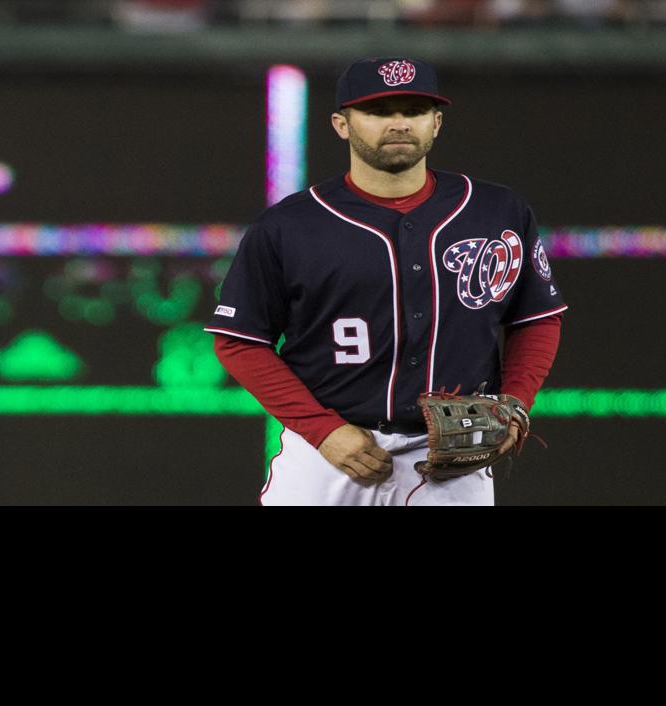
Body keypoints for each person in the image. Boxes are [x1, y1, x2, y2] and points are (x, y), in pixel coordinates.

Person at [207, 56, 566, 506]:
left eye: (413, 111)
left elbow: (537, 318)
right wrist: (323, 431)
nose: (398, 124)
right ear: (341, 124)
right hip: (327, 453)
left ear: (436, 123)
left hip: (455, 458)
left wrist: (515, 403)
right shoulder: (288, 226)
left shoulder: (497, 212)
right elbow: (240, 341)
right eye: (378, 111)